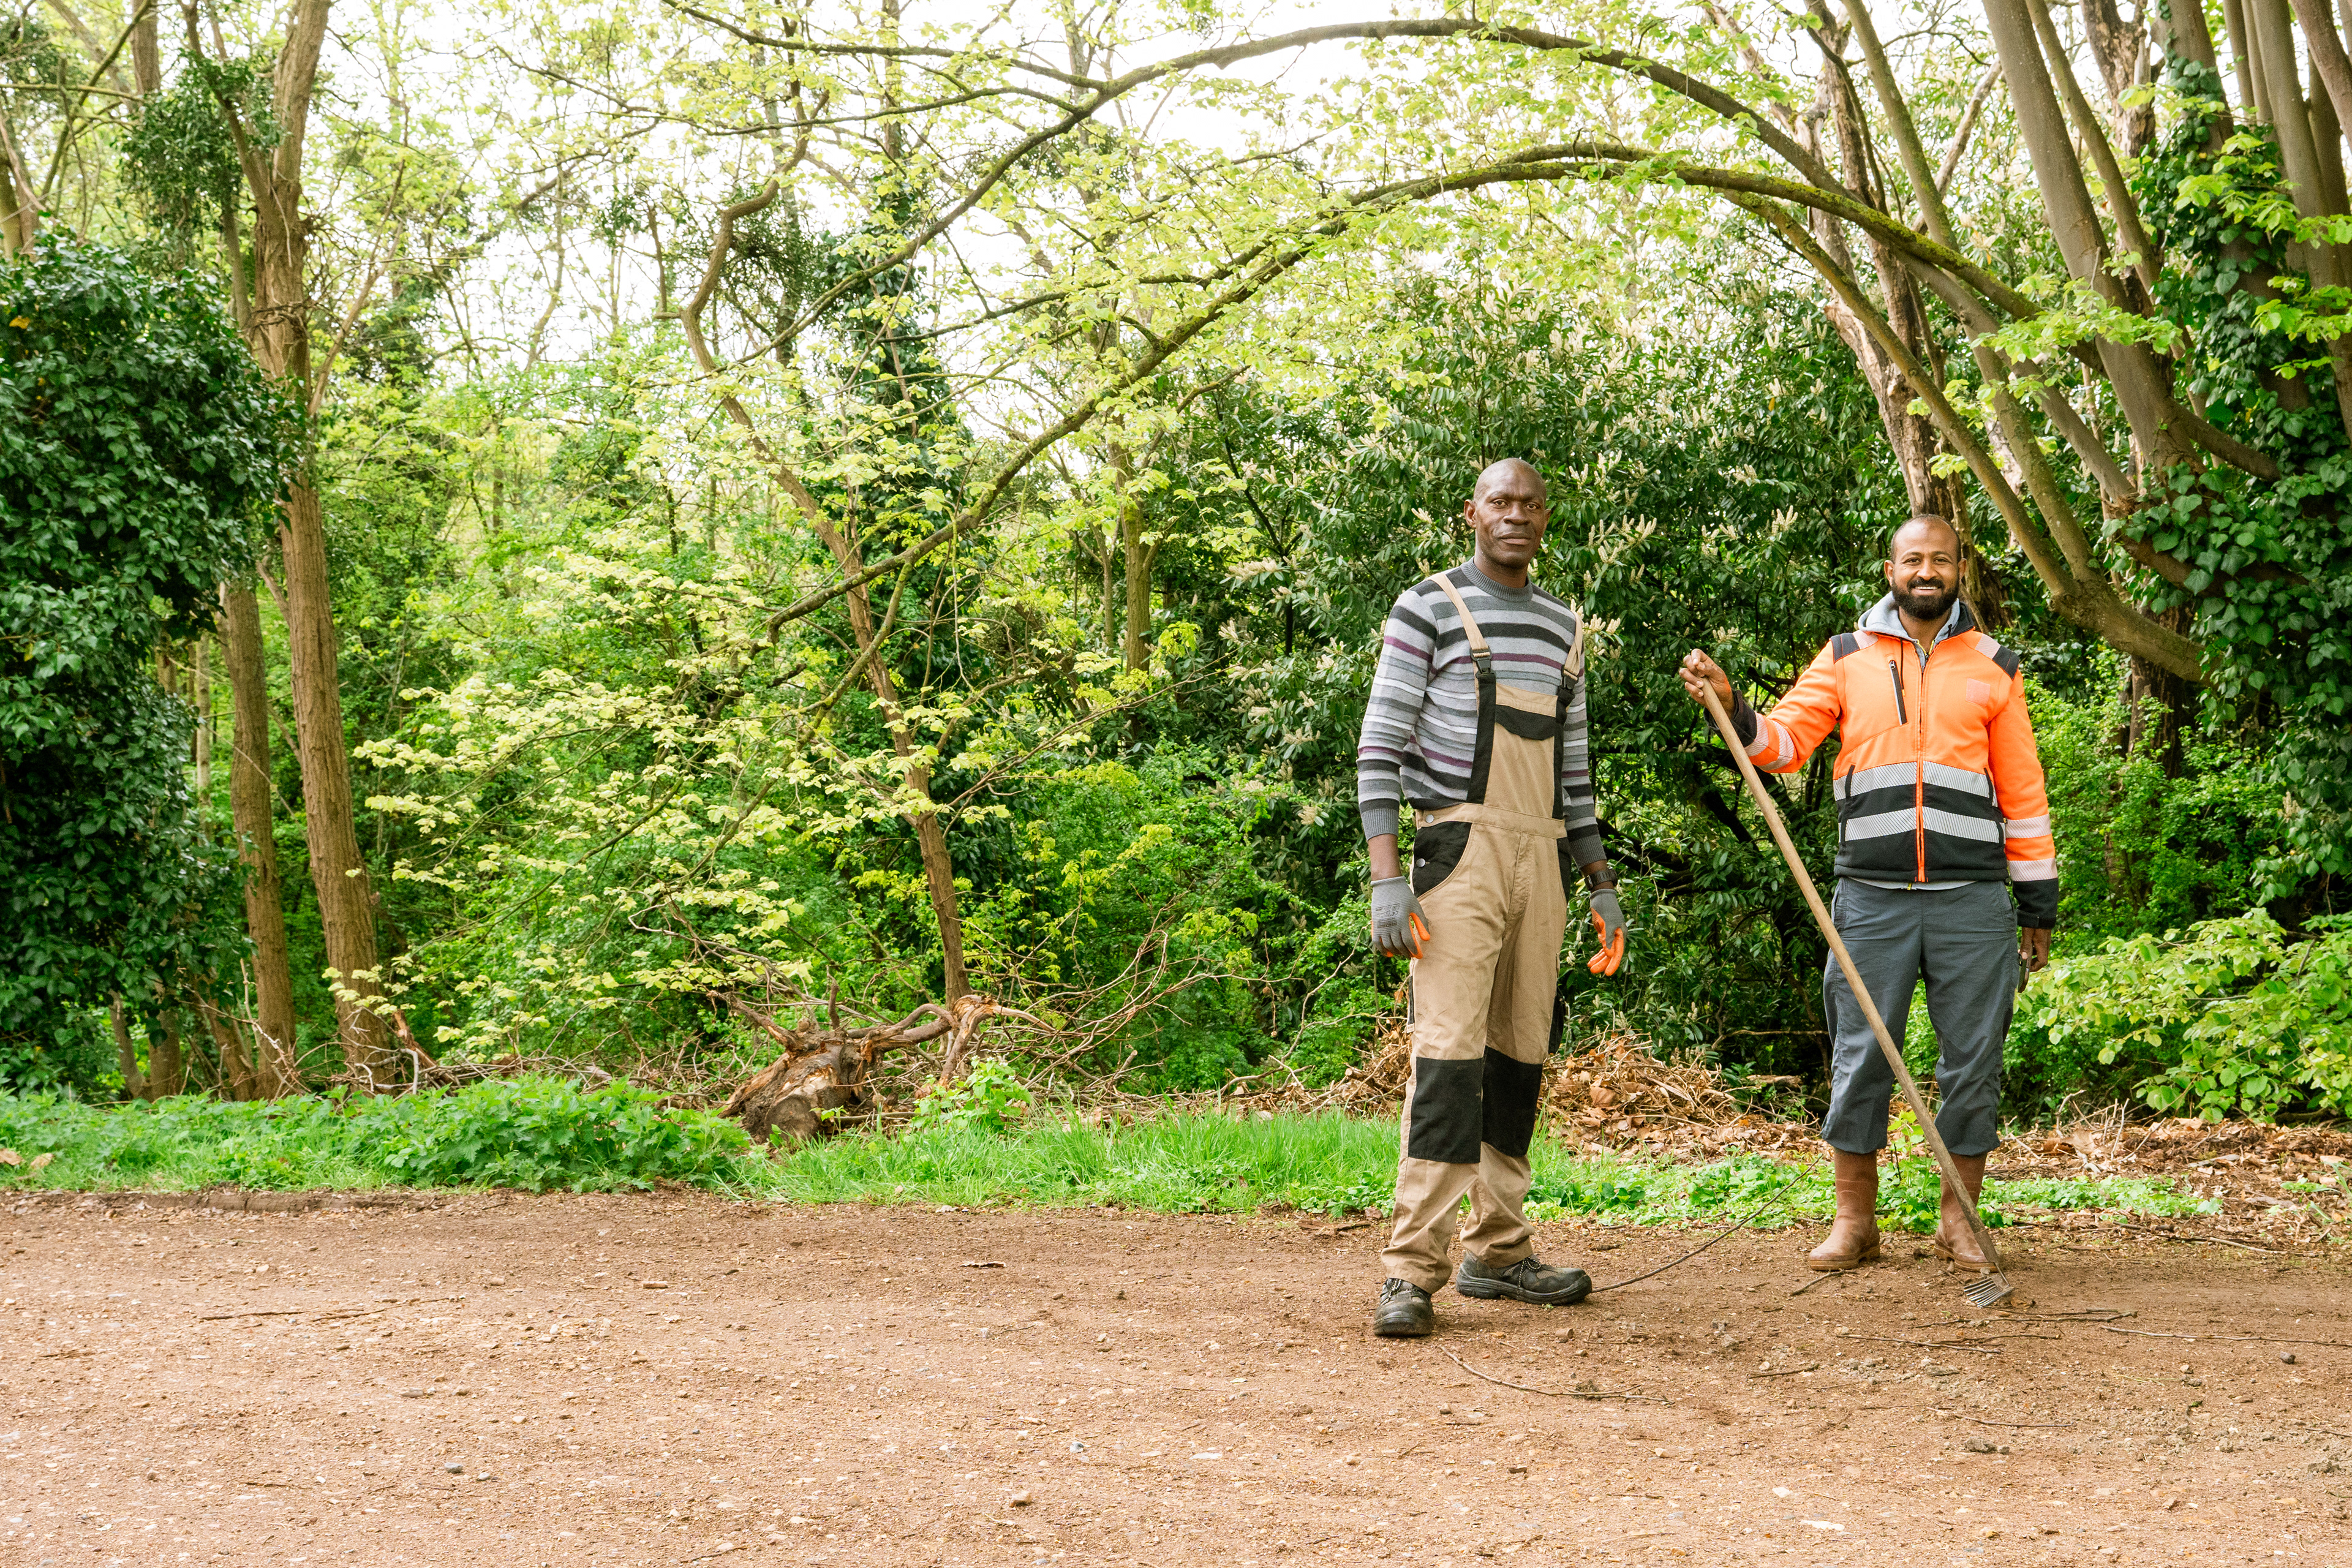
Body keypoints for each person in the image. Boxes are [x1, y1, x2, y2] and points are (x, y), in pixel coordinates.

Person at [1676, 514, 2056, 1271]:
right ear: (1890, 568)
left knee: (1973, 1061)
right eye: (1912, 558)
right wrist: (1734, 702)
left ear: (1959, 569)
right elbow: (1781, 747)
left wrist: (2037, 900)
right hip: (1871, 898)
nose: (1926, 570)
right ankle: (1855, 1223)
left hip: (1971, 898)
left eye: (1940, 559)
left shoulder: (1994, 666)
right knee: (1860, 1057)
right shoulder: (1845, 657)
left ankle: (1960, 1222)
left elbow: (2023, 792)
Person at [1357, 458, 1624, 1339]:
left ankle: (1500, 1251)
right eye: (1499, 503)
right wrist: (1388, 877)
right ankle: (1411, 1269)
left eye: (1530, 505)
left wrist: (1601, 883)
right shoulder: (1425, 607)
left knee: (1518, 1056)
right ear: (1472, 513)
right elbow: (1378, 751)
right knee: (1448, 1058)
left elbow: (1574, 773)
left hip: (1541, 857)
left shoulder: (1561, 627)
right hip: (1453, 852)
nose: (1515, 516)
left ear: (1545, 517)